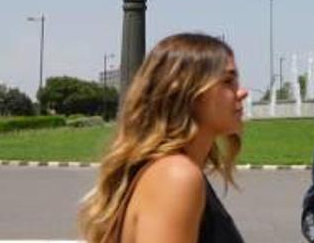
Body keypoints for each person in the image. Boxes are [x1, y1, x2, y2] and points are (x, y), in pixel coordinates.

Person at [78, 33, 248, 243]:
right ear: (188, 92)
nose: (242, 92)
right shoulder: (176, 176)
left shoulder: (169, 171)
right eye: (228, 81)